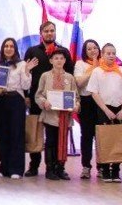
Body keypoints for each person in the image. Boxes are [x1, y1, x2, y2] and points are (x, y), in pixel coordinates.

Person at [22, 21, 74, 176]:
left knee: (56, 135)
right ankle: (34, 166)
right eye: (46, 31)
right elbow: (25, 73)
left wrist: (71, 101)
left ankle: (58, 167)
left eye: (52, 30)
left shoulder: (63, 51)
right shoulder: (32, 51)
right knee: (36, 133)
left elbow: (70, 75)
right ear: (41, 33)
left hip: (59, 103)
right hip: (37, 98)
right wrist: (26, 95)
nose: (49, 33)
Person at [86, 43, 122, 183]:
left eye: (113, 53)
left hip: (119, 109)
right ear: (102, 55)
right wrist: (106, 110)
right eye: (108, 53)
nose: (111, 56)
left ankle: (116, 170)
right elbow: (94, 92)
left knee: (118, 140)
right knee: (105, 140)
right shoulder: (97, 71)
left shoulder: (121, 71)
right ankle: (105, 170)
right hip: (104, 109)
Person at [0, 37, 36, 179]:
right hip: (1, 101)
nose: (8, 48)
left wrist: (27, 71)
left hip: (16, 101)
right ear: (2, 49)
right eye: (6, 46)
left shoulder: (22, 64)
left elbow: (25, 86)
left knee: (16, 134)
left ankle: (16, 169)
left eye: (11, 46)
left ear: (15, 49)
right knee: (3, 134)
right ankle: (4, 167)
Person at [35, 49, 79, 180]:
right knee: (51, 142)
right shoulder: (45, 76)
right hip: (50, 116)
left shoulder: (70, 78)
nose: (59, 61)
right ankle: (50, 169)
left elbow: (76, 97)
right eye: (56, 58)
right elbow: (38, 95)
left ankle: (60, 168)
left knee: (63, 142)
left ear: (65, 61)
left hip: (65, 117)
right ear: (51, 61)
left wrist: (76, 105)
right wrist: (44, 102)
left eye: (61, 58)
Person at [73, 39, 101, 179]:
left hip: (101, 103)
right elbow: (79, 82)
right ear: (84, 51)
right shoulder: (80, 64)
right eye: (89, 49)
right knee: (87, 135)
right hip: (86, 101)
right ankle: (86, 167)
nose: (92, 51)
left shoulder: (105, 63)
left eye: (95, 48)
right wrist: (94, 69)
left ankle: (102, 167)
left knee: (101, 135)